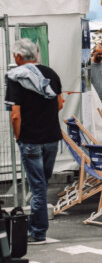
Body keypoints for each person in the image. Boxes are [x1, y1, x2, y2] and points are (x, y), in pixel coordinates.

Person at [5, 39, 63, 244]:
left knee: (37, 186)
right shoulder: (51, 73)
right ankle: (36, 225)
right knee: (42, 184)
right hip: (52, 137)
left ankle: (38, 232)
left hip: (30, 139)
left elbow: (15, 115)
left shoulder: (15, 78)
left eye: (14, 55)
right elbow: (59, 102)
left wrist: (17, 135)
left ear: (19, 56)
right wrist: (46, 118)